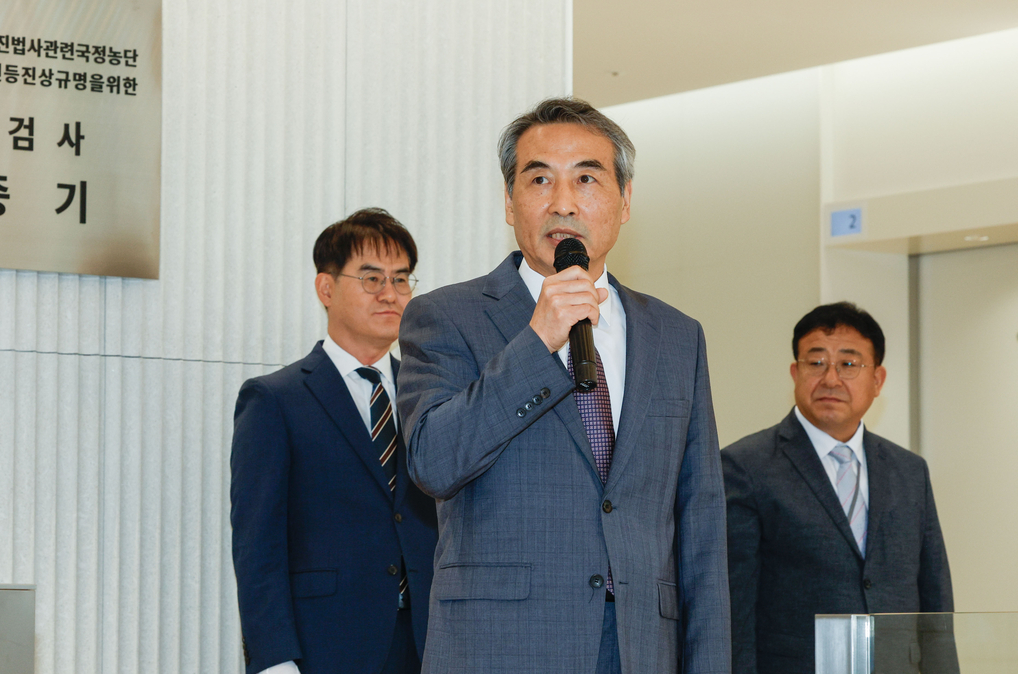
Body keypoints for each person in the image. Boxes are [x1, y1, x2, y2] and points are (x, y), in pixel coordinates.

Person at [396, 97, 730, 674]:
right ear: (509, 202)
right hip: (503, 650)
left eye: (586, 178)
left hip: (640, 649)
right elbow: (434, 462)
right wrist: (537, 342)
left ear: (625, 201)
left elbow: (701, 521)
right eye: (539, 179)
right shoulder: (446, 316)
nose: (563, 202)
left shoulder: (677, 336)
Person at [230, 208, 438, 674]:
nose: (390, 294)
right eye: (372, 278)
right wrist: (274, 660)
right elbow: (257, 545)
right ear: (326, 288)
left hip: (427, 645)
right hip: (325, 646)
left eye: (401, 279)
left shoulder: (428, 393)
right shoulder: (274, 400)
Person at [723, 302, 954, 674]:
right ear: (795, 373)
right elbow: (735, 609)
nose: (831, 379)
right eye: (816, 363)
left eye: (848, 364)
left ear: (877, 380)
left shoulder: (910, 471)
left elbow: (935, 601)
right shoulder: (745, 466)